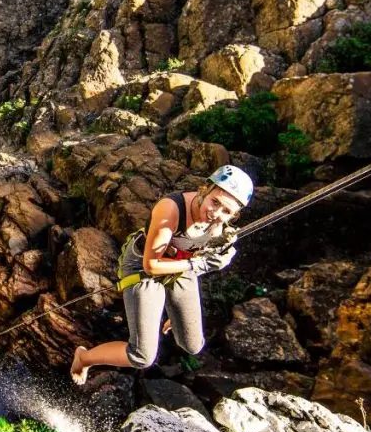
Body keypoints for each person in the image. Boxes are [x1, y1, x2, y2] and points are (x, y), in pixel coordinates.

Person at [70, 165, 254, 385]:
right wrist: (199, 264)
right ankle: (84, 358)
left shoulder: (219, 225)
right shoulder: (170, 210)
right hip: (145, 265)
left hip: (183, 265)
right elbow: (151, 265)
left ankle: (170, 311)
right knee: (142, 356)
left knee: (193, 345)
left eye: (227, 211)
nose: (215, 214)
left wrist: (217, 252)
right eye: (215, 202)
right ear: (204, 190)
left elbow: (200, 251)